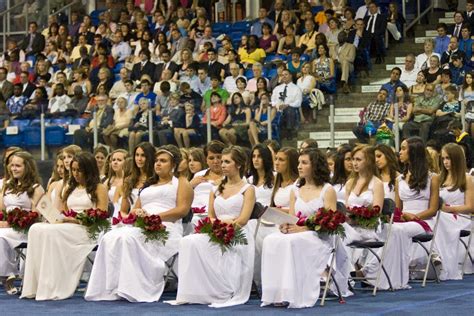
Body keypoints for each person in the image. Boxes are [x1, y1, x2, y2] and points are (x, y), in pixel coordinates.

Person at [85, 145, 193, 302]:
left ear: (173, 165)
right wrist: (138, 214)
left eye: (163, 161)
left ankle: (133, 287)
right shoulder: (149, 184)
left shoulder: (181, 183)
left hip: (165, 228)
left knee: (128, 238)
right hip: (142, 225)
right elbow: (134, 210)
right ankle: (112, 287)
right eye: (156, 160)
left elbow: (182, 210)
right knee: (110, 237)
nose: (158, 164)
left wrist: (155, 217)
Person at [260, 148, 346, 308]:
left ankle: (293, 292)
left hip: (320, 236)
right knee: (270, 240)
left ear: (315, 166)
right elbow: (292, 218)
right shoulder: (295, 189)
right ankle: (278, 292)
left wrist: (305, 228)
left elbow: (331, 222)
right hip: (298, 232)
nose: (299, 166)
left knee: (292, 242)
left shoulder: (327, 190)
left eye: (304, 163)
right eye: (299, 162)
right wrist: (285, 225)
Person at [174, 146, 256, 307]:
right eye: (221, 161)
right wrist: (215, 225)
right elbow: (210, 215)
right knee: (188, 241)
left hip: (237, 232)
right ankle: (197, 290)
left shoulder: (248, 189)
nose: (222, 164)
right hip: (216, 229)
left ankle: (223, 290)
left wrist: (227, 226)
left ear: (238, 164)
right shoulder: (216, 189)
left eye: (227, 161)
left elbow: (244, 219)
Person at [21, 152, 109, 300]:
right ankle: (36, 285)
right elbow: (63, 211)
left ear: (88, 170)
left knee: (52, 233)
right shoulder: (68, 188)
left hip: (87, 228)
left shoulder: (99, 188)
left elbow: (101, 215)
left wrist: (77, 220)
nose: (75, 174)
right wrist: (54, 217)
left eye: (79, 170)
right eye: (73, 170)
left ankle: (53, 285)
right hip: (68, 225)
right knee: (36, 229)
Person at [356, 137, 440, 290]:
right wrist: (401, 216)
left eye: (403, 148)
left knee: (395, 230)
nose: (399, 152)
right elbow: (397, 208)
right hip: (404, 221)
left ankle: (369, 271)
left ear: (413, 152)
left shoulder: (432, 178)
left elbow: (433, 209)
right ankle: (379, 275)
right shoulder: (399, 179)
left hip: (425, 221)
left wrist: (414, 217)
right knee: (388, 228)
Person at [0, 151, 44, 295]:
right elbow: (1, 210)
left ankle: (7, 276)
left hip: (25, 229)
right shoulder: (6, 186)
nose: (13, 169)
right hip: (7, 227)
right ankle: (6, 274)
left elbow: (35, 216)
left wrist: (15, 222)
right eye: (11, 165)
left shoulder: (36, 188)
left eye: (17, 165)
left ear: (27, 167)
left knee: (0, 236)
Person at [436, 143, 474, 280]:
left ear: (457, 159)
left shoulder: (467, 179)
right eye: (444, 158)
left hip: (462, 219)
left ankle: (437, 255)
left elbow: (470, 207)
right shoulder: (439, 179)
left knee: (438, 219)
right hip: (442, 218)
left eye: (449, 158)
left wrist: (449, 209)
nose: (445, 162)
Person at [118, 143, 156, 217]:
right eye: (137, 155)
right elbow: (123, 211)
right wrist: (128, 218)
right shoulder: (129, 180)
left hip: (152, 219)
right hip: (131, 221)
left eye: (143, 155)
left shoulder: (156, 179)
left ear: (150, 157)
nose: (139, 159)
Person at [271, 69, 303, 140]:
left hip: (290, 110)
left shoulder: (296, 88)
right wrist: (277, 105)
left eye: (286, 74)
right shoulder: (277, 88)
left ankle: (289, 131)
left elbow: (298, 102)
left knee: (289, 110)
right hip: (278, 110)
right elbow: (273, 101)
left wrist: (287, 105)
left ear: (290, 76)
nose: (284, 76)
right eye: (282, 75)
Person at [104, 149, 128, 218]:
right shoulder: (108, 181)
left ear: (126, 162)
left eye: (119, 160)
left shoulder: (128, 181)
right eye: (113, 160)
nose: (115, 162)